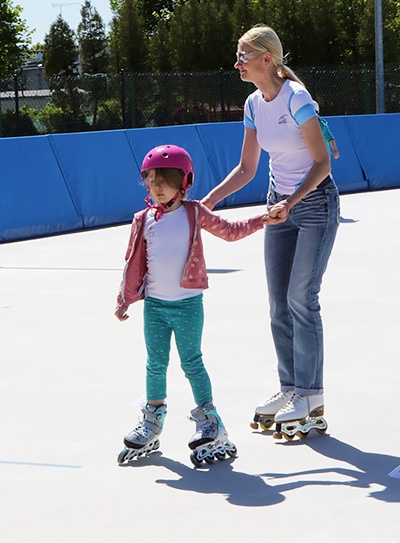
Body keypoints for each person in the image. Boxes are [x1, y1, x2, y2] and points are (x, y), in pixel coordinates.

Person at [201, 25, 339, 441]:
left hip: (313, 205)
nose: (237, 63)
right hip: (278, 207)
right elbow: (246, 168)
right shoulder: (252, 104)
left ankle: (311, 399)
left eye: (243, 56)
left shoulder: (296, 100)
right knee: (278, 303)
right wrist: (205, 204)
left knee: (302, 298)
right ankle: (290, 390)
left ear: (266, 58)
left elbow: (322, 165)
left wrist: (290, 203)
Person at [115, 145, 282, 466]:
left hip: (188, 304)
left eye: (164, 179)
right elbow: (133, 263)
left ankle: (209, 419)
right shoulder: (143, 219)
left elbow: (231, 232)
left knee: (192, 362)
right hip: (156, 307)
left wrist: (264, 219)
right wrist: (125, 299)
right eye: (151, 180)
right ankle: (152, 420)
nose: (157, 186)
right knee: (155, 363)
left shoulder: (194, 213)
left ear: (184, 181)